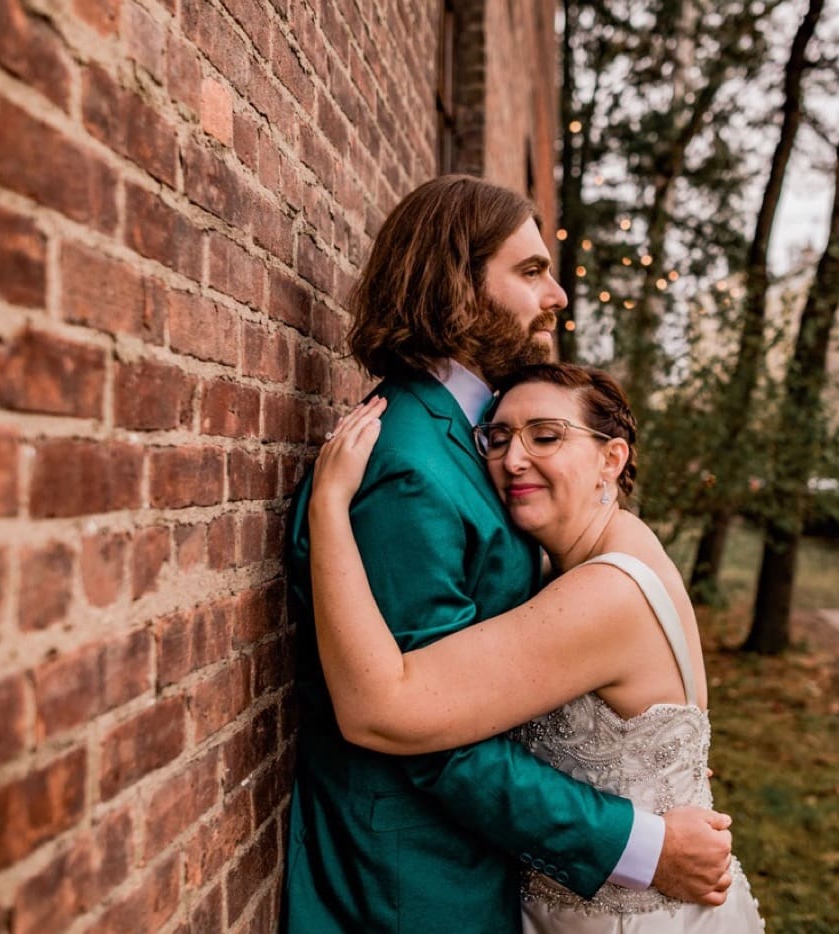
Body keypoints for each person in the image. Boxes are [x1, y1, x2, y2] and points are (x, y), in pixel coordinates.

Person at [281, 175, 734, 933]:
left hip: (482, 865)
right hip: (412, 886)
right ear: (457, 285)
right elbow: (416, 729)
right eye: (530, 272)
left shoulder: (473, 443)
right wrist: (639, 843)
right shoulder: (410, 467)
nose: (555, 295)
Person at [308, 364, 763, 933]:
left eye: (546, 436)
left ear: (611, 458)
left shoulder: (608, 592)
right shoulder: (594, 553)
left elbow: (380, 708)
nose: (512, 459)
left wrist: (327, 506)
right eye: (497, 438)